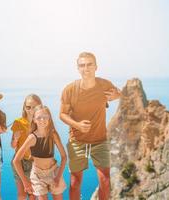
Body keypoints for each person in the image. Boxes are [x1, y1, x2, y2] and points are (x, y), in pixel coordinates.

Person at [59, 52, 121, 200]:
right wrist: (77, 125)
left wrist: (118, 95)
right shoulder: (69, 90)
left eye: (89, 64)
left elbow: (120, 92)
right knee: (75, 182)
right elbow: (62, 114)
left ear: (96, 67)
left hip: (100, 140)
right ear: (78, 68)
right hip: (77, 140)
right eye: (82, 65)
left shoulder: (104, 84)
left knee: (105, 181)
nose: (86, 68)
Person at [13, 105, 67, 200]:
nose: (42, 120)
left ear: (49, 118)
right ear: (34, 119)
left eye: (45, 117)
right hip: (38, 175)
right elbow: (16, 161)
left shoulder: (53, 134)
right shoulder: (32, 138)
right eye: (39, 117)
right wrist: (25, 182)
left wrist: (58, 177)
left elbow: (64, 157)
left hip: (54, 172)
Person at [10, 94, 42, 200]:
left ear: (40, 106)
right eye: (28, 107)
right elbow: (13, 145)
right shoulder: (18, 122)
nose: (31, 110)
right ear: (24, 107)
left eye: (34, 107)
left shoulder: (41, 123)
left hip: (35, 162)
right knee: (22, 195)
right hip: (20, 162)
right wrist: (15, 139)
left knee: (33, 195)